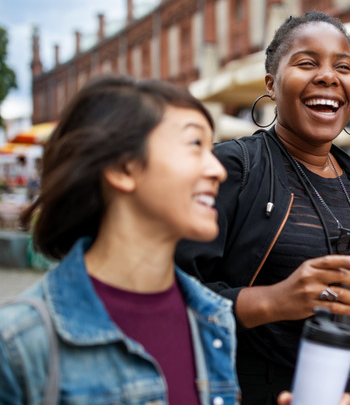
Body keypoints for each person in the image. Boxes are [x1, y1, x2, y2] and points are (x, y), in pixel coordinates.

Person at [175, 10, 350, 405]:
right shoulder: (232, 169)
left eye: (343, 67)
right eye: (307, 63)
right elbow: (173, 294)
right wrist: (273, 301)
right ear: (271, 85)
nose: (329, 76)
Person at [0, 75, 240, 404]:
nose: (218, 170)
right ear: (122, 168)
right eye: (195, 145)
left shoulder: (213, 319)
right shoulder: (20, 341)